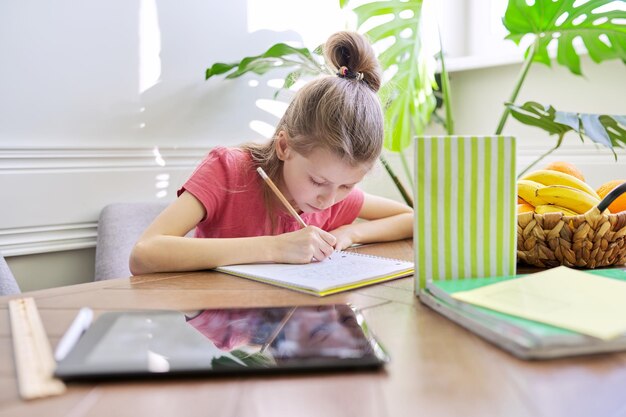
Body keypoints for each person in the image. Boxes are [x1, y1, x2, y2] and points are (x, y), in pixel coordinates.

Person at [129, 31, 413, 275]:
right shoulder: (228, 169)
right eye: (317, 181)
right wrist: (275, 247)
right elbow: (143, 254)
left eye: (348, 186)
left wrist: (350, 233)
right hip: (220, 328)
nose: (329, 200)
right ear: (284, 146)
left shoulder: (334, 191)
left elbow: (414, 219)